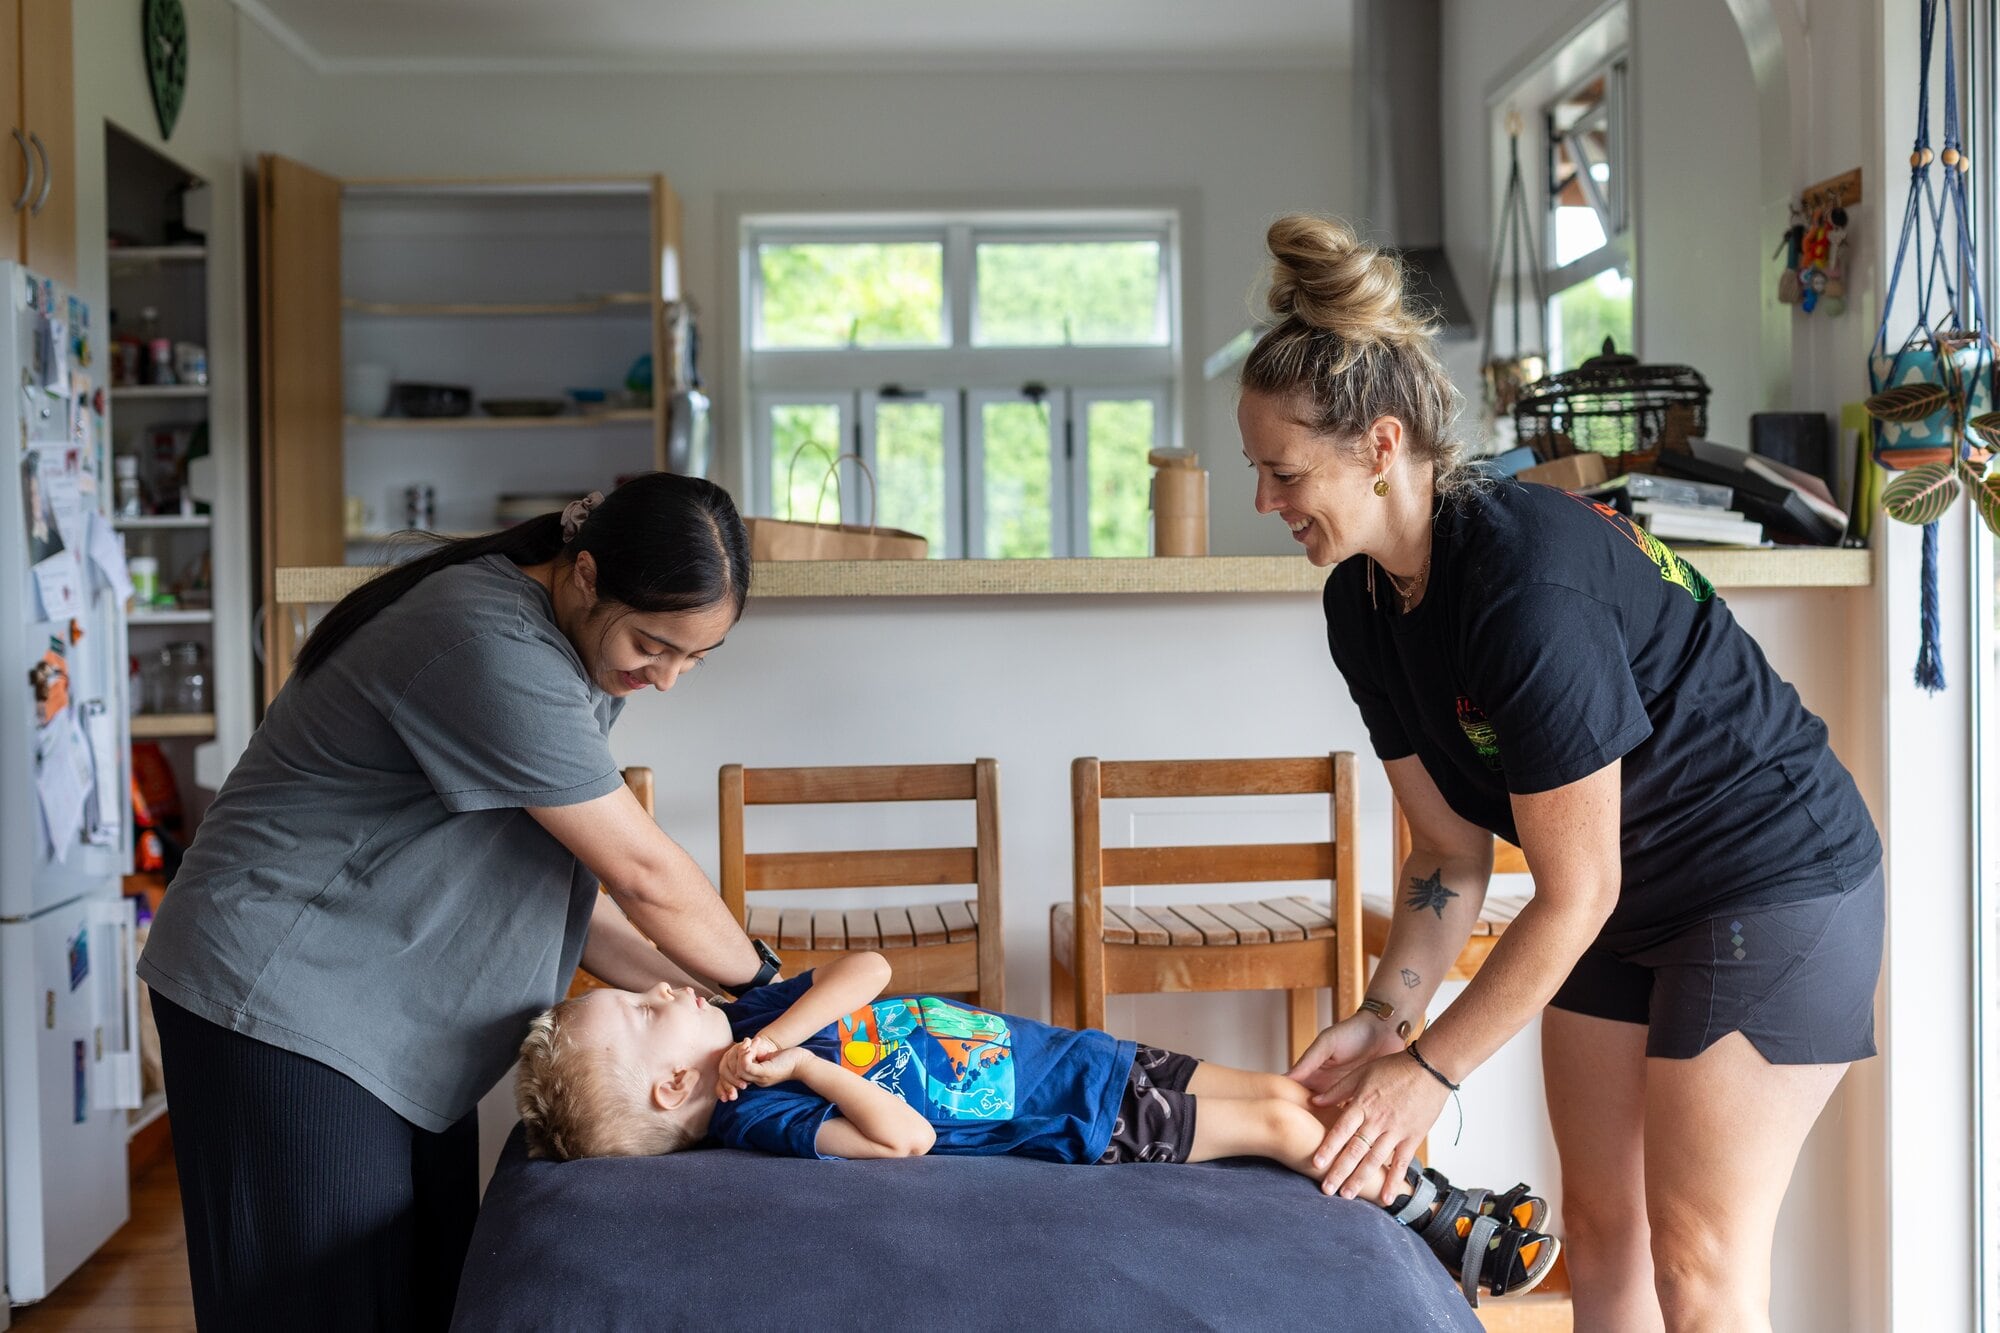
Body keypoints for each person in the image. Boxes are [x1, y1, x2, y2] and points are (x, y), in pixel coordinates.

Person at [1236, 215, 1882, 1332]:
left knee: (1697, 1259)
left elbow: (1574, 890)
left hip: (1766, 882)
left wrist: (1425, 1076)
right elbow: (1447, 848)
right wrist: (1387, 1021)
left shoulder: (1521, 583)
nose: (1265, 501)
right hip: (1625, 906)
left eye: (1283, 470)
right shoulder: (1362, 603)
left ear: (1380, 445)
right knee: (1599, 1240)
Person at [139, 474, 783, 1330]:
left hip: (384, 1011)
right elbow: (643, 873)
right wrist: (778, 989)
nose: (666, 678)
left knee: (429, 1299)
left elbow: (567, 895)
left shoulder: (578, 658)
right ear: (585, 574)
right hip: (280, 994)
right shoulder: (483, 638)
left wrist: (742, 1014)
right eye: (654, 643)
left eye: (692, 659)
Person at [515, 952, 1562, 1303]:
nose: (662, 986)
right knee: (1289, 1132)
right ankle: (1449, 1220)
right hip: (1076, 1119)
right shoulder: (768, 1121)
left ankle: (1429, 1214)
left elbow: (869, 973)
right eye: (649, 1012)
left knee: (1297, 1097)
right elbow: (900, 1140)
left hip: (1080, 1057)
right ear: (668, 1092)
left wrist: (782, 1026)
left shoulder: (750, 1022)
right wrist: (802, 1070)